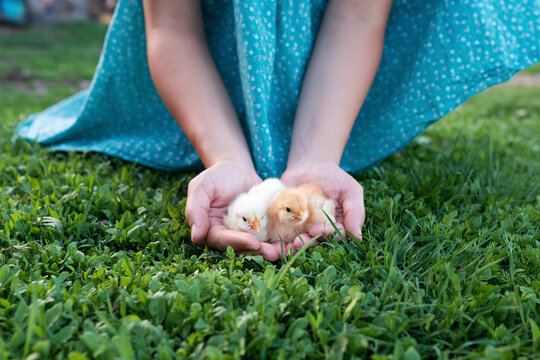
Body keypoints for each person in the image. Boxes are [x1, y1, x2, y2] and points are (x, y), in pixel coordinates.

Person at [15, 0, 540, 261]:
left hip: (321, 67)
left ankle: (302, 133)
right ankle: (234, 136)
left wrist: (318, 157)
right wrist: (225, 160)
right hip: (204, 68)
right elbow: (171, 28)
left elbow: (356, 20)